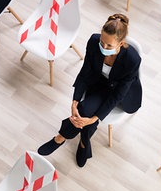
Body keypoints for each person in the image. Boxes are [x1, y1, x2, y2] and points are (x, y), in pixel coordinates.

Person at [37, 14, 142, 167]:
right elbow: (85, 71)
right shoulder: (94, 42)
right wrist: (74, 101)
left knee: (87, 114)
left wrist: (94, 119)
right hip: (100, 84)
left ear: (121, 44)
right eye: (102, 42)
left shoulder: (132, 60)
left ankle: (61, 138)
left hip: (120, 93)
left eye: (109, 46)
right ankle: (83, 144)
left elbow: (118, 95)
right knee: (82, 109)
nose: (103, 48)